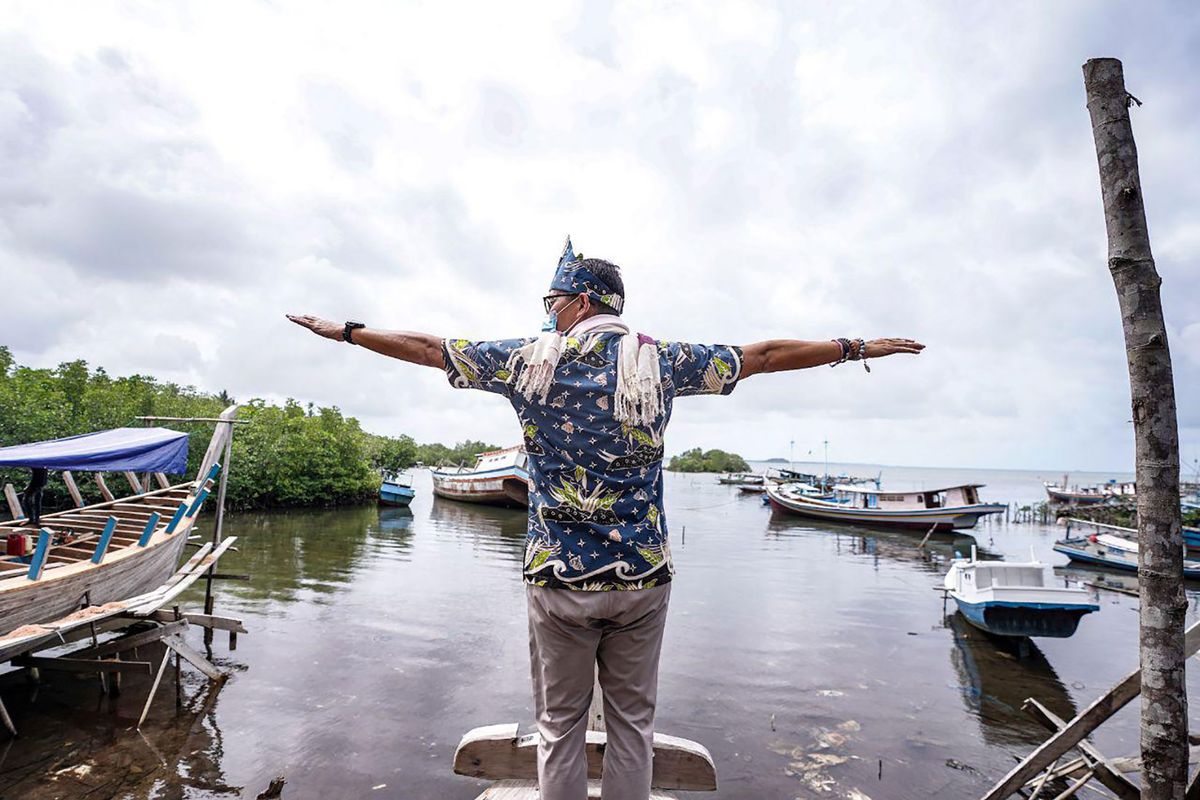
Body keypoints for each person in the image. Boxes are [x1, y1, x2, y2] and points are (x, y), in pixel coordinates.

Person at [288, 239, 923, 800]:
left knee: (558, 728)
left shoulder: (526, 361)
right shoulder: (664, 361)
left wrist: (346, 332)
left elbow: (428, 348)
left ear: (585, 301)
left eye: (553, 298)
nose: (547, 309)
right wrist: (854, 347)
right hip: (644, 579)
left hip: (558, 579)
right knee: (632, 726)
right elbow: (761, 355)